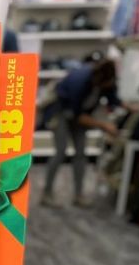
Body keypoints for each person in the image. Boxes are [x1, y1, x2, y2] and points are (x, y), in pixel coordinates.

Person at [42, 59, 121, 208]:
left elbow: (114, 101)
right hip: (61, 112)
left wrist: (131, 108)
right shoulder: (80, 81)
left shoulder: (108, 82)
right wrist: (103, 125)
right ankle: (46, 193)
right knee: (60, 151)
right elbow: (77, 115)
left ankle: (79, 195)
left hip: (80, 115)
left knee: (81, 154)